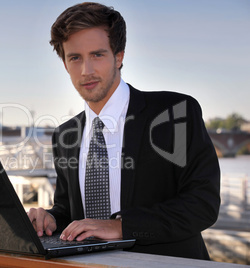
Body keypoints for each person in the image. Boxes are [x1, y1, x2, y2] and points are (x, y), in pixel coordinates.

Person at [27, 2, 220, 260]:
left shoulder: (175, 112)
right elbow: (70, 212)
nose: (87, 71)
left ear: (119, 56)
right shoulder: (65, 135)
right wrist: (49, 218)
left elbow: (203, 204)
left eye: (97, 55)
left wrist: (120, 227)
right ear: (64, 64)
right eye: (75, 58)